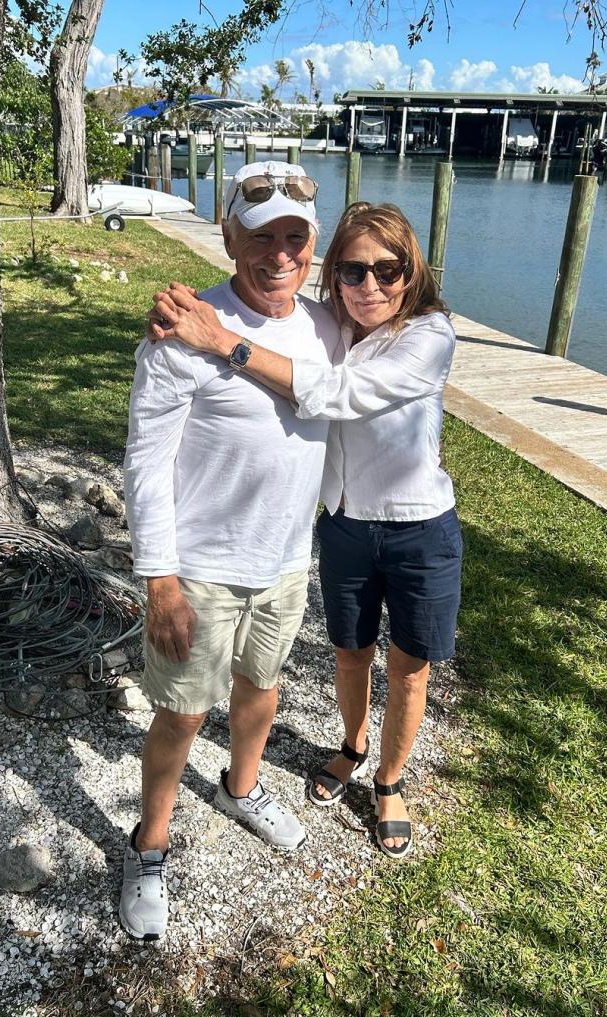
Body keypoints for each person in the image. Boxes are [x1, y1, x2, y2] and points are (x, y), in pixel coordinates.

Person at [148, 202, 462, 862]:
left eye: (387, 268)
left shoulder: (428, 335)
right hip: (344, 527)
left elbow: (337, 395)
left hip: (416, 531)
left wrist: (221, 340)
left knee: (407, 668)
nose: (369, 284)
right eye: (352, 270)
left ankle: (389, 780)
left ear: (412, 271)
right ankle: (350, 746)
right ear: (333, 272)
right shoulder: (329, 326)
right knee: (350, 653)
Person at [120, 161, 340, 941]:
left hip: (285, 560)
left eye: (294, 238)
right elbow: (144, 462)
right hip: (202, 570)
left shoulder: (328, 326)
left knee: (262, 689)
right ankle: (149, 844)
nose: (278, 255)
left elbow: (401, 332)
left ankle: (241, 788)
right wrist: (160, 582)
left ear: (313, 246)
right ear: (227, 237)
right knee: (182, 712)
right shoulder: (182, 331)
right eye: (260, 237)